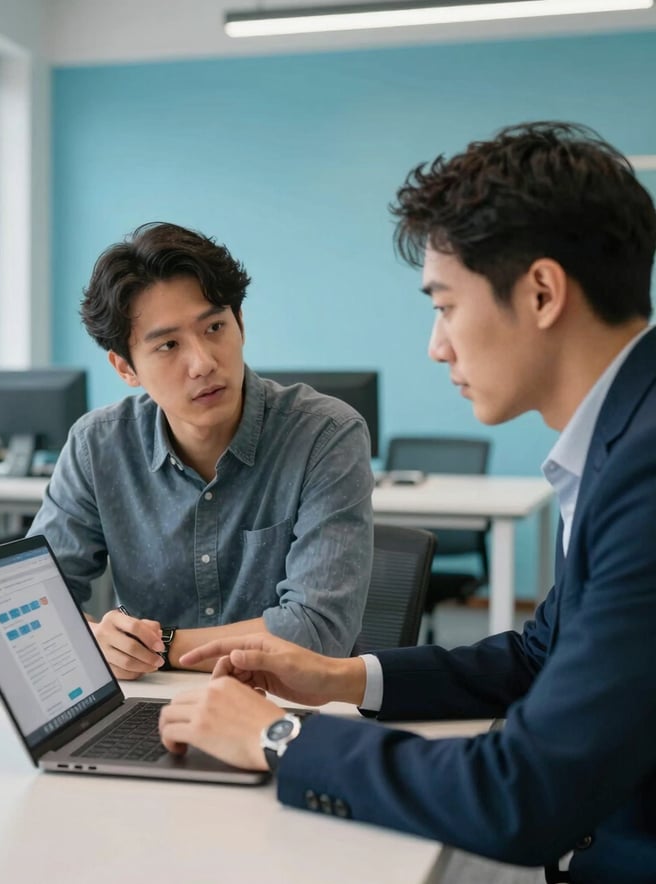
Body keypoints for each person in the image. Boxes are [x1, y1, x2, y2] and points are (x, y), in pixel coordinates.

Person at [158, 122, 656, 883]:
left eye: (446, 305)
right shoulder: (623, 439)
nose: (436, 345)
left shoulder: (646, 468)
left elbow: (523, 795)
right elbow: (538, 655)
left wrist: (282, 735)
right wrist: (341, 678)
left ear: (543, 293)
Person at [28, 222, 373, 678]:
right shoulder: (98, 445)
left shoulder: (325, 434)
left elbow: (317, 631)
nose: (203, 362)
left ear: (241, 323)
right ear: (125, 368)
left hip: (288, 711)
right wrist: (92, 639)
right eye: (169, 345)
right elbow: (31, 601)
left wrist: (156, 646)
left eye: (214, 327)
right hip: (147, 708)